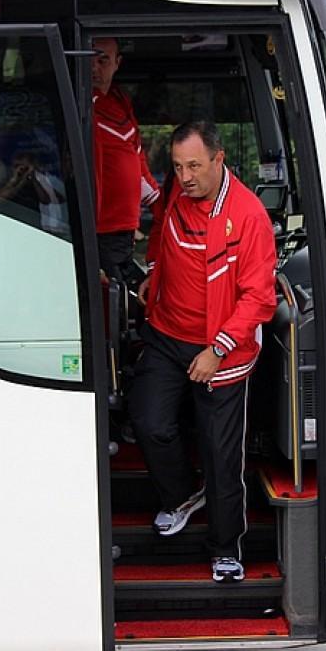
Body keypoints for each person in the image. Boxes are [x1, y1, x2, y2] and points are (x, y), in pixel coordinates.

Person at [129, 121, 277, 583]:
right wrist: (154, 270)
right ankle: (181, 496)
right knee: (149, 422)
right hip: (165, 333)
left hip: (222, 350)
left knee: (221, 454)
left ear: (219, 159)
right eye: (177, 167)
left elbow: (259, 298)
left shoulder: (248, 215)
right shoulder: (178, 189)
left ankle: (226, 549)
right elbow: (160, 228)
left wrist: (217, 349)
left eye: (194, 166)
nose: (185, 176)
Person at [91, 37, 159, 285]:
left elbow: (136, 160)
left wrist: (162, 205)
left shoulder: (120, 101)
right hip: (99, 230)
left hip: (124, 229)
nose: (94, 67)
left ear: (117, 63)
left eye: (103, 60)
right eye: (88, 59)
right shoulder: (82, 105)